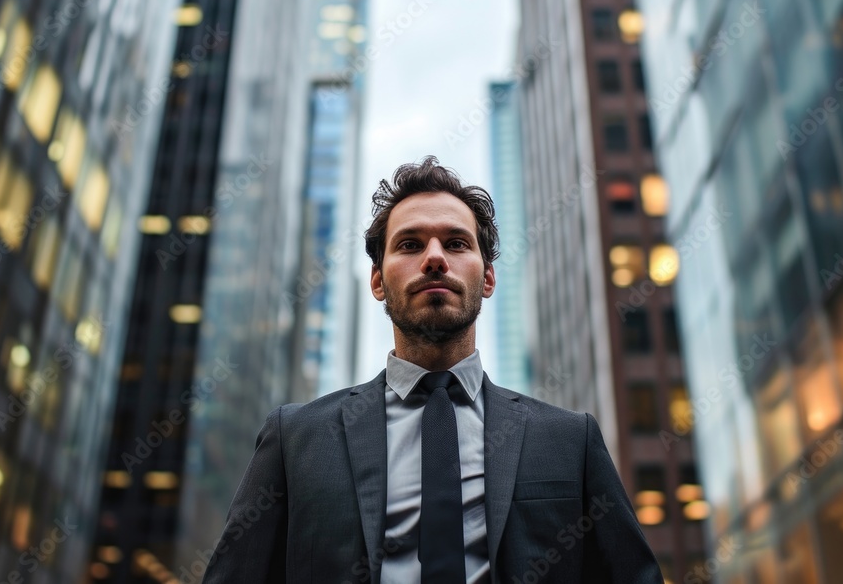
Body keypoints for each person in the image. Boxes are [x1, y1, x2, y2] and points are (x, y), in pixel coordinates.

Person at [202, 156, 662, 583]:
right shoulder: (295, 438)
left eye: (457, 243)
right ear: (378, 280)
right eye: (410, 244)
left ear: (487, 278)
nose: (435, 257)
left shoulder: (570, 440)